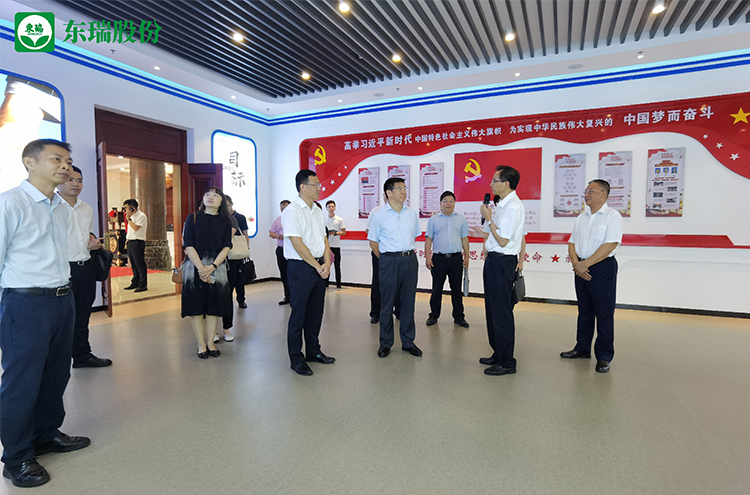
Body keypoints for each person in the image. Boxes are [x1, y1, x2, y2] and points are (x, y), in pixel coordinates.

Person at [0, 139, 90, 488]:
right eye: (56, 159)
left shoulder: (59, 207)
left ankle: (46, 434)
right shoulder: (10, 203)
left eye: (68, 160)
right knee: (22, 381)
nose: (65, 166)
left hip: (61, 298)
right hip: (25, 303)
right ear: (29, 162)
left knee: (56, 374)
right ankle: (17, 457)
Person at [561, 179, 623, 373]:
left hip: (601, 268)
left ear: (603, 194)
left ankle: (604, 356)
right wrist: (577, 264)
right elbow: (572, 243)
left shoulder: (612, 216)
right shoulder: (581, 217)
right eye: (586, 191)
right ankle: (582, 348)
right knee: (584, 311)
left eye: (590, 191)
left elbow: (610, 245)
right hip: (580, 268)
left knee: (604, 313)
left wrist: (584, 265)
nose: (586, 194)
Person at [470, 165, 525, 376]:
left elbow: (503, 241)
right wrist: (483, 234)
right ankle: (498, 352)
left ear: (506, 184)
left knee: (501, 313)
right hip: (494, 262)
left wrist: (489, 218)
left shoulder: (513, 207)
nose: (491, 184)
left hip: (503, 264)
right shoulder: (503, 205)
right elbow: (498, 235)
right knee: (492, 310)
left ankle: (507, 361)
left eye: (494, 180)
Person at [58, 165, 113, 368]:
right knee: (60, 318)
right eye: (70, 179)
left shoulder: (86, 208)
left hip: (85, 268)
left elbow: (87, 234)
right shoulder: (50, 207)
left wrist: (93, 242)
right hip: (61, 270)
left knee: (82, 315)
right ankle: (56, 360)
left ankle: (82, 356)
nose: (75, 184)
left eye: (79, 180)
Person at [282, 170, 335, 376]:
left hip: (319, 266)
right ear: (302, 187)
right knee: (299, 314)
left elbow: (324, 239)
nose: (319, 188)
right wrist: (317, 265)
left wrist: (327, 263)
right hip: (301, 267)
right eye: (315, 184)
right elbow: (297, 243)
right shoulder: (292, 211)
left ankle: (313, 351)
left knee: (315, 312)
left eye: (319, 184)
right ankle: (296, 358)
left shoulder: (317, 210)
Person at [368, 177, 422, 358]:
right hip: (389, 261)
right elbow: (373, 242)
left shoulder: (411, 213)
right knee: (387, 303)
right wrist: (385, 260)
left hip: (409, 260)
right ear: (388, 193)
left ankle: (408, 341)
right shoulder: (378, 214)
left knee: (408, 302)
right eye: (399, 188)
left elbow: (414, 235)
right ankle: (386, 342)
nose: (403, 191)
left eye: (404, 188)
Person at [181, 187, 233, 359]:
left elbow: (227, 246)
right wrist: (201, 268)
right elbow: (188, 244)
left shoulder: (226, 221)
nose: (211, 197)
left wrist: (212, 266)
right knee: (196, 308)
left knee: (213, 307)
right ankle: (201, 345)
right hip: (194, 266)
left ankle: (211, 342)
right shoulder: (193, 218)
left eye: (216, 195)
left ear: (222, 201)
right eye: (208, 194)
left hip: (217, 267)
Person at [425, 191, 470, 328]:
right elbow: (428, 239)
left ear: (455, 203)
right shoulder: (433, 220)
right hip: (439, 259)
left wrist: (467, 256)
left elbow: (464, 238)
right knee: (436, 289)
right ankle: (433, 315)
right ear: (440, 203)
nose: (448, 203)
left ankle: (459, 317)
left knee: (456, 289)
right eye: (445, 201)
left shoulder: (461, 219)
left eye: (451, 201)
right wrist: (428, 257)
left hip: (456, 259)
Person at [217, 195, 248, 342]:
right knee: (213, 296)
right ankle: (213, 331)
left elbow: (224, 239)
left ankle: (226, 328)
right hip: (212, 262)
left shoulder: (233, 220)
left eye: (228, 205)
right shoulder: (206, 219)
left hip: (232, 261)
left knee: (227, 294)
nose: (226, 208)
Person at [123, 198, 148, 292]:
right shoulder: (132, 217)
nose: (125, 210)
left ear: (132, 208)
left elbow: (136, 228)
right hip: (130, 242)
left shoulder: (141, 216)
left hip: (137, 242)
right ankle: (135, 282)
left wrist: (128, 219)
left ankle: (143, 284)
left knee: (139, 263)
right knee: (133, 264)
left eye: (126, 208)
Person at [269, 200, 291, 305]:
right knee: (284, 274)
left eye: (286, 207)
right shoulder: (278, 220)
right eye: (282, 208)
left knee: (293, 274)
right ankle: (287, 296)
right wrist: (277, 235)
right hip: (281, 249)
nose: (283, 210)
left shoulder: (295, 219)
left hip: (292, 250)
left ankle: (295, 295)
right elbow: (271, 233)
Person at [324, 200, 346, 290]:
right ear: (326, 208)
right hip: (326, 246)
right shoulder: (324, 219)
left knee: (337, 266)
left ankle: (338, 284)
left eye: (332, 206)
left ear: (335, 208)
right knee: (326, 265)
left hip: (336, 246)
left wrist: (336, 233)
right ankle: (326, 284)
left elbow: (344, 232)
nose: (331, 208)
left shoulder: (339, 219)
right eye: (329, 207)